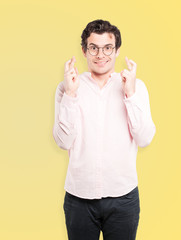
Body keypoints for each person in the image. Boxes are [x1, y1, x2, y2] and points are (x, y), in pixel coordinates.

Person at [52, 19, 156, 240]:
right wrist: (70, 95)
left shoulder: (136, 86)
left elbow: (145, 138)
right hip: (79, 198)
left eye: (107, 48)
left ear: (117, 50)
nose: (101, 54)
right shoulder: (67, 87)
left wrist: (130, 94)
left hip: (123, 198)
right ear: (84, 50)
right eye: (94, 47)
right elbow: (63, 141)